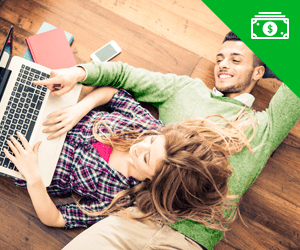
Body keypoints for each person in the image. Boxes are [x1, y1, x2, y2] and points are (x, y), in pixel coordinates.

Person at [31, 31, 300, 250]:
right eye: (220, 58)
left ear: (258, 73)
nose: (223, 64)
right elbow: (126, 76)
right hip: (136, 215)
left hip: (188, 242)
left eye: (236, 59)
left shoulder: (264, 126)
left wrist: (271, 49)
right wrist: (79, 73)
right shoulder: (186, 90)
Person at [4, 81, 253, 232]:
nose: (139, 147)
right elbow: (113, 94)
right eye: (153, 141)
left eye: (146, 159)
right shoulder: (146, 125)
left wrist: (33, 177)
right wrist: (80, 108)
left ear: (152, 182)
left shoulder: (121, 200)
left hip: (25, 156)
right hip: (51, 113)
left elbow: (57, 218)